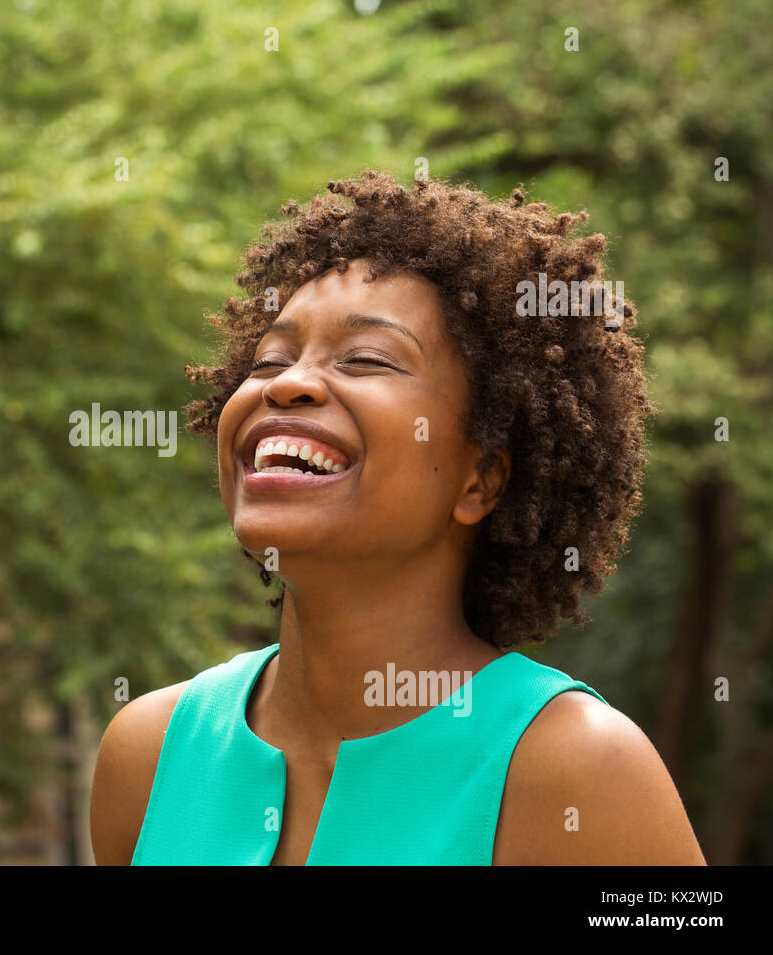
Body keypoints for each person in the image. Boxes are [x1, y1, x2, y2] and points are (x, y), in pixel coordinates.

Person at [90, 170, 707, 865]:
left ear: (481, 480)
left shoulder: (578, 771)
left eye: (367, 359)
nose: (289, 384)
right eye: (270, 360)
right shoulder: (147, 755)